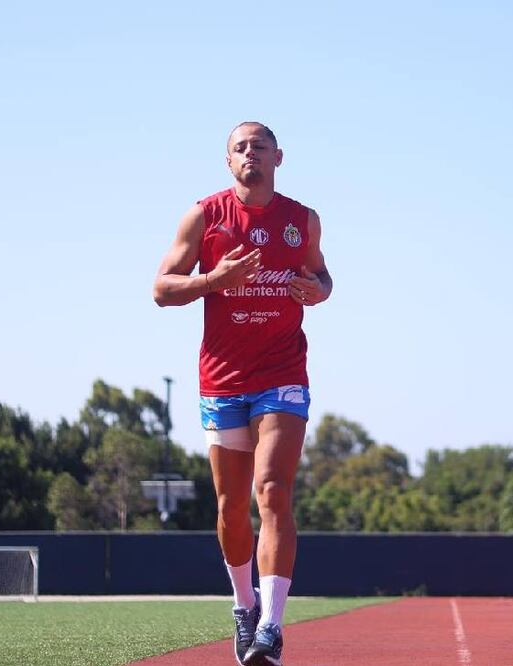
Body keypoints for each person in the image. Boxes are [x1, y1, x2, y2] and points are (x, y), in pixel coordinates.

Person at [153, 121, 332, 666]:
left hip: (282, 374)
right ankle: (244, 605)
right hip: (224, 381)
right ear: (228, 161)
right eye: (239, 148)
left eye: (259, 146)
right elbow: (162, 288)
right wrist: (213, 281)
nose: (249, 153)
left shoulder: (302, 219)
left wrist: (315, 290)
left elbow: (323, 279)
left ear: (279, 156)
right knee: (232, 508)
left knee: (272, 490)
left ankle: (273, 627)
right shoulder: (205, 215)